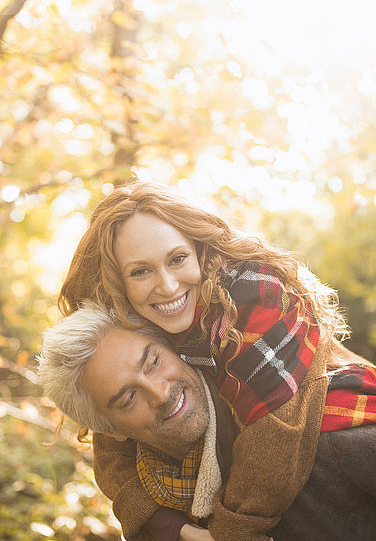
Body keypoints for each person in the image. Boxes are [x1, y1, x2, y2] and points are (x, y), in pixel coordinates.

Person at [56, 179, 376, 541]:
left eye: (177, 259)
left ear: (198, 248)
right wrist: (162, 524)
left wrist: (228, 534)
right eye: (140, 271)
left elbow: (276, 432)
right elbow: (110, 434)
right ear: (118, 282)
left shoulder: (254, 291)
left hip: (342, 412)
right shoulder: (132, 322)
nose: (167, 286)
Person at [38, 304, 376, 541]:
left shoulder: (331, 432)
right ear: (110, 431)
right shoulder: (154, 509)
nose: (159, 393)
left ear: (173, 346)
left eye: (153, 362)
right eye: (128, 398)